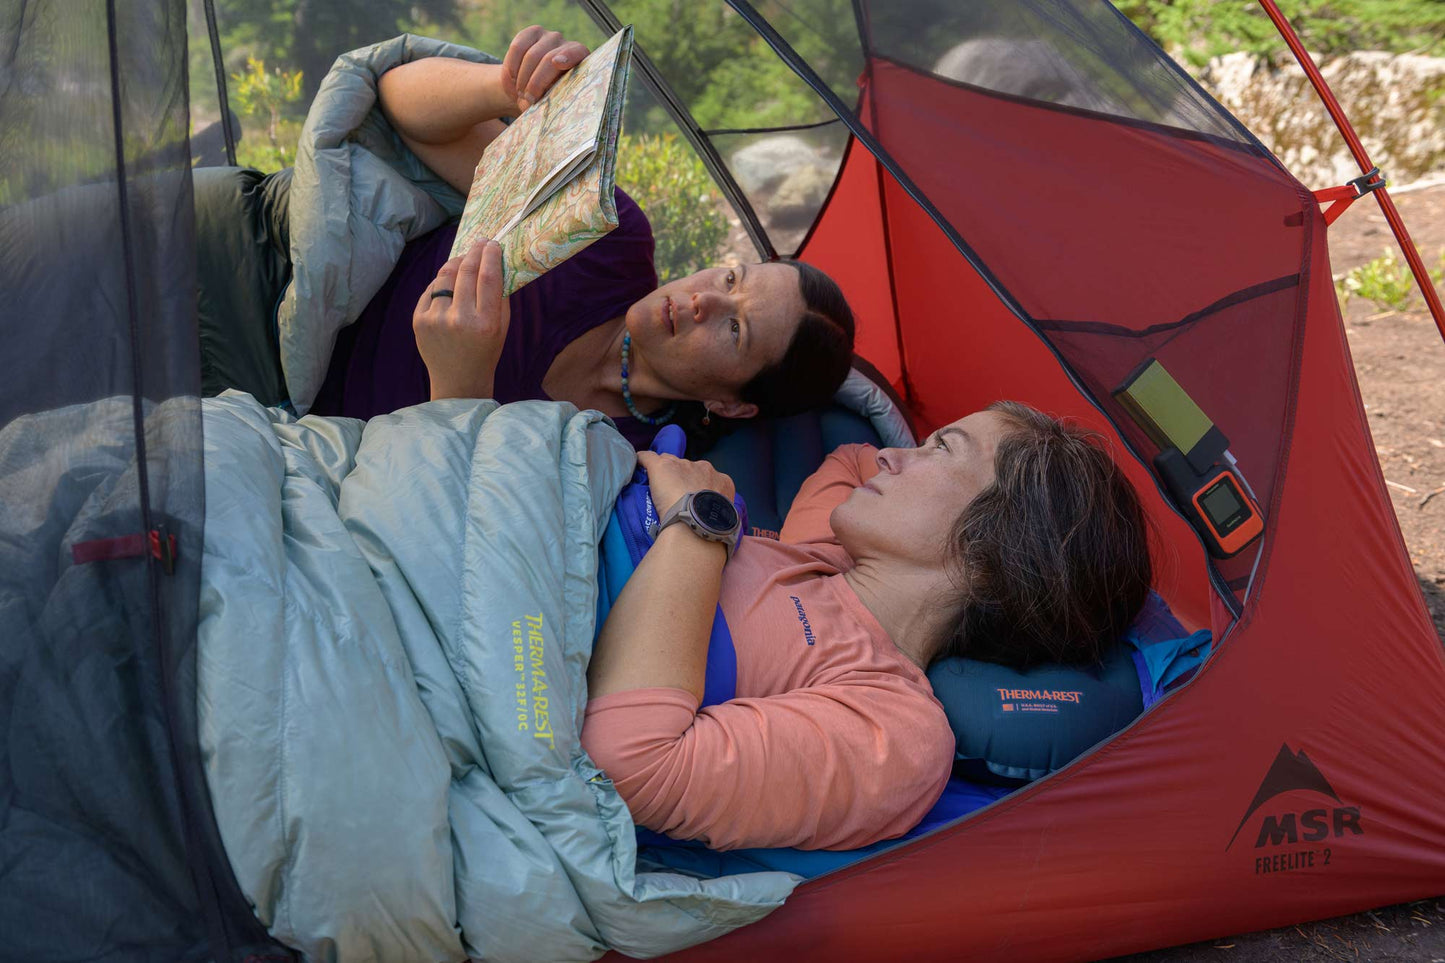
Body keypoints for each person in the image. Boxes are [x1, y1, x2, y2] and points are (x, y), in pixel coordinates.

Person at [427, 241, 1153, 851]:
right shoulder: (822, 556)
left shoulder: (893, 728)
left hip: (444, 635)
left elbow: (633, 767)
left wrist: (700, 523)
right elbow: (851, 458)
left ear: (993, 550)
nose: (891, 455)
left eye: (939, 449)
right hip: (467, 539)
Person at [208, 26, 856, 451]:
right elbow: (397, 106)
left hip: (254, 427)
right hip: (254, 261)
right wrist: (503, 87)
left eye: (735, 329)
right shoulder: (606, 239)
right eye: (732, 279)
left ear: (731, 405)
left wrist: (460, 380)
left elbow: (440, 526)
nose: (703, 300)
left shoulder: (616, 460)